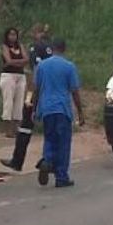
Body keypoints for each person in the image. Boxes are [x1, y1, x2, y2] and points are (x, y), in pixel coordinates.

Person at [33, 39, 85, 189]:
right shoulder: (69, 67)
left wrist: (35, 110)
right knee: (63, 143)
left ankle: (47, 161)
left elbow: (36, 89)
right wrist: (80, 113)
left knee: (49, 139)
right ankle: (61, 177)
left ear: (52, 48)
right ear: (64, 49)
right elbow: (75, 91)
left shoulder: (42, 65)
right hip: (62, 110)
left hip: (47, 109)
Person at [0, 27, 28, 137]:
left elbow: (26, 59)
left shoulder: (20, 46)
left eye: (14, 35)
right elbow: (8, 61)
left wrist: (14, 62)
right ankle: (8, 129)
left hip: (20, 75)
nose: (13, 37)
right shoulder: (4, 46)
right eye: (10, 34)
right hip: (8, 75)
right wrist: (18, 62)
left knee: (19, 101)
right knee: (8, 102)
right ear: (7, 36)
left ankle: (16, 128)